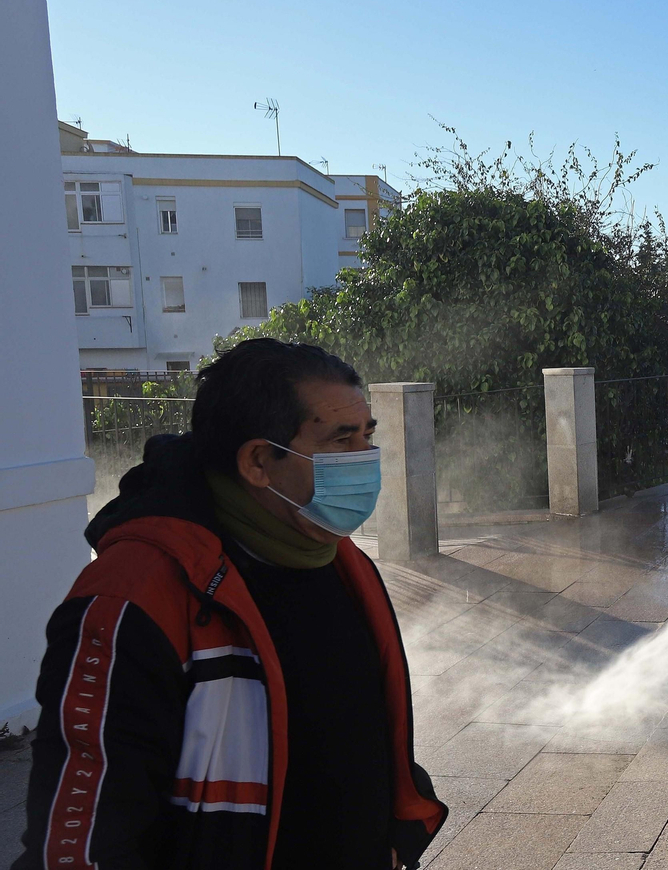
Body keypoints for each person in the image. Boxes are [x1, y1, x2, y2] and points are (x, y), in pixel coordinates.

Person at [14, 339, 446, 870]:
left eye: (367, 435)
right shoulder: (132, 597)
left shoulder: (334, 557)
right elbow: (86, 837)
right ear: (259, 461)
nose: (365, 457)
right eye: (340, 440)